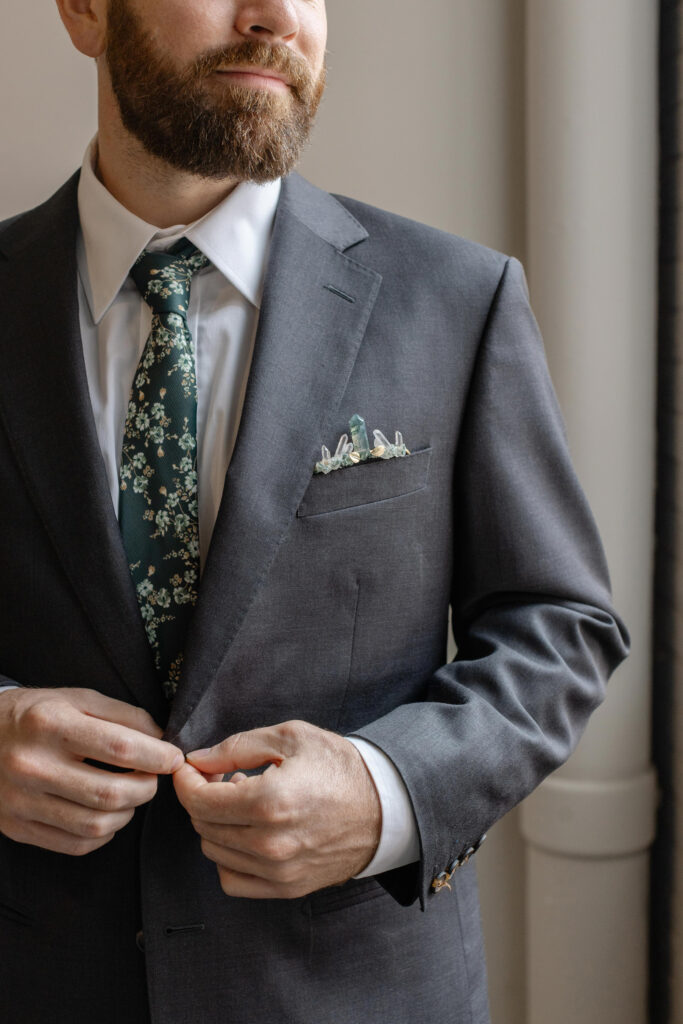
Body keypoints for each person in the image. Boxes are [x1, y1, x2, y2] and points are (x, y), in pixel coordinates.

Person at [0, 1, 628, 1022]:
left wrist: (387, 791)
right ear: (83, 9)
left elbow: (560, 629)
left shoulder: (454, 300)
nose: (278, 14)